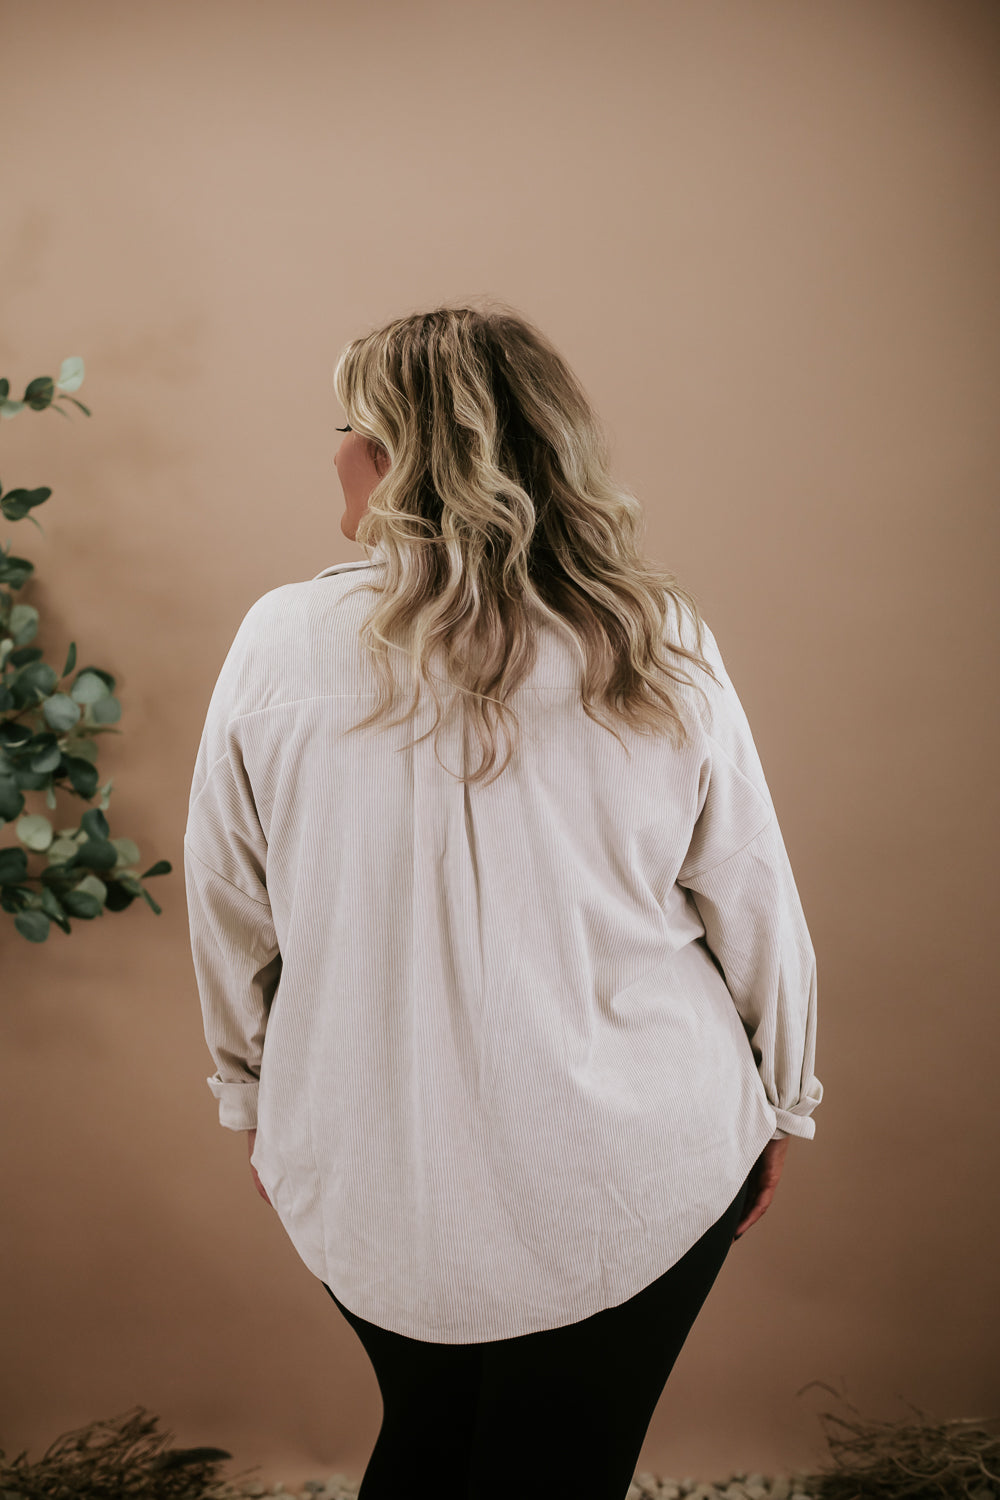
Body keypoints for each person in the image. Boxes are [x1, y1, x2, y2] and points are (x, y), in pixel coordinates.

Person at [184, 300, 822, 1500]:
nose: (334, 453)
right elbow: (750, 893)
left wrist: (255, 1095)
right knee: (548, 1465)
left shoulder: (278, 642)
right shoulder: (650, 636)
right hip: (641, 1152)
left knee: (431, 1443)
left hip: (370, 1154)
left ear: (403, 455)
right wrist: (782, 1096)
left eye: (350, 427)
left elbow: (226, 902)